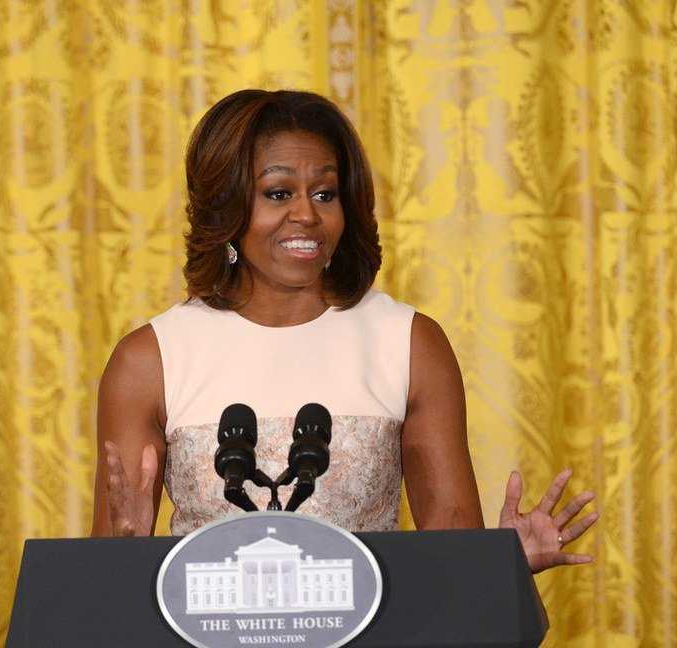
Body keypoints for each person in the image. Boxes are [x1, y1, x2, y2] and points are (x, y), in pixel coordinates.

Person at [91, 89, 598, 573]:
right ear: (227, 208)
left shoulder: (408, 343)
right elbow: (101, 584)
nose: (306, 214)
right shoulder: (150, 359)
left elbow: (452, 554)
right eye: (278, 193)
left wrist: (499, 565)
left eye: (324, 193)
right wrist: (125, 556)